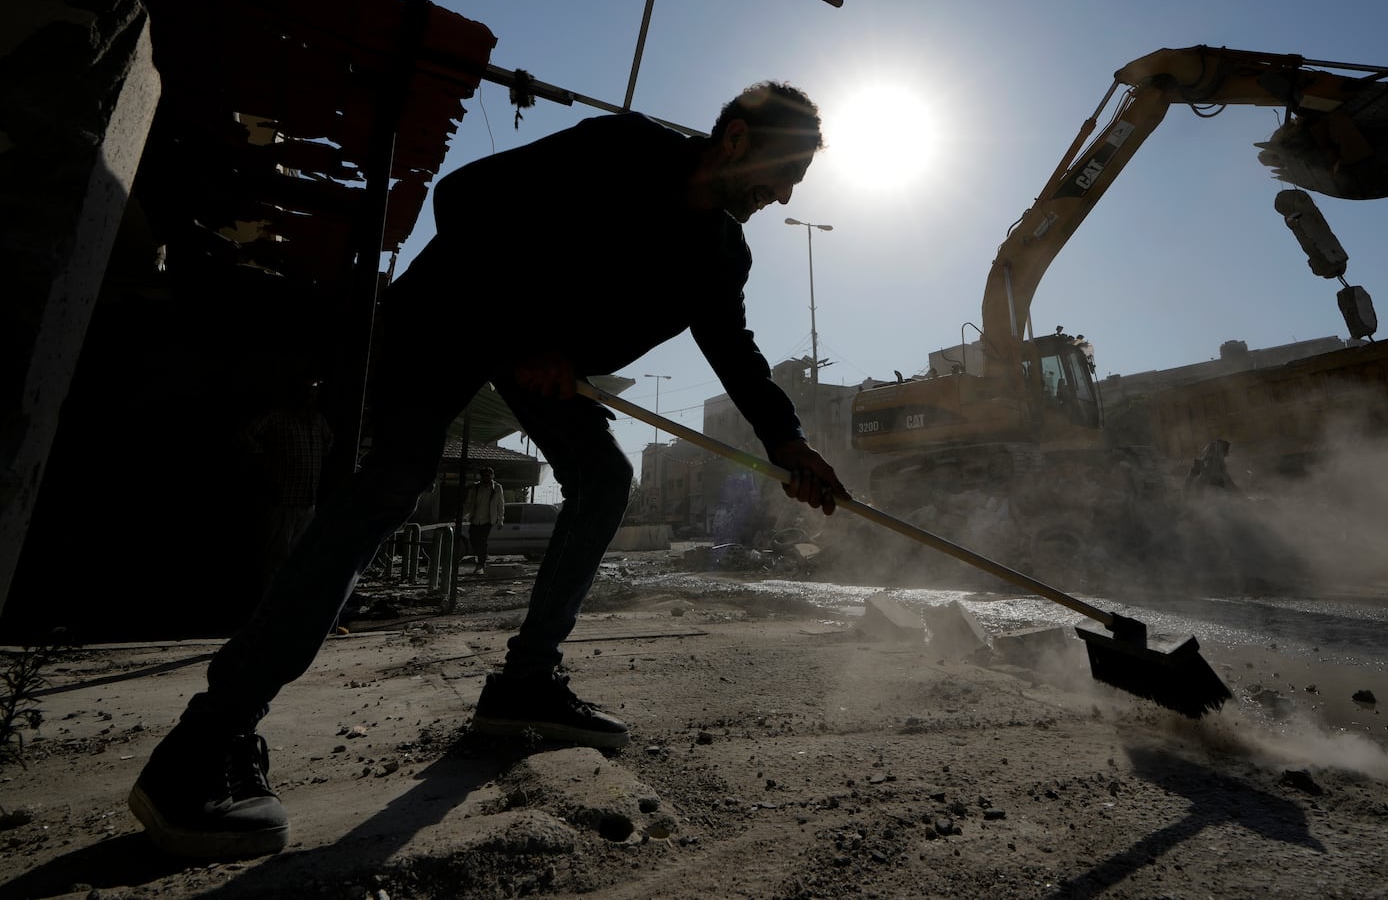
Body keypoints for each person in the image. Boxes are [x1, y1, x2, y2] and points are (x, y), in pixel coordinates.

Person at [127, 81, 851, 861]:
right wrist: (532, 333)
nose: (781, 196)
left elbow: (735, 351)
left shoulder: (719, 251)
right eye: (783, 174)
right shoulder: (624, 150)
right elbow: (467, 196)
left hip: (547, 364)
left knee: (604, 479)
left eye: (795, 187)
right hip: (457, 313)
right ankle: (207, 739)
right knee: (390, 485)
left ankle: (524, 685)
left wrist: (789, 443)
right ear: (736, 138)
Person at [237, 375, 335, 601]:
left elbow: (329, 442)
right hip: (282, 499)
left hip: (308, 501)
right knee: (275, 556)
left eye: (314, 392)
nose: (311, 396)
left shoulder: (317, 421)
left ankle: (288, 601)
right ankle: (268, 603)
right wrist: (264, 457)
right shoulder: (277, 419)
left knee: (300, 555)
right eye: (307, 391)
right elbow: (244, 436)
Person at [461, 465, 504, 574]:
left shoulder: (497, 488)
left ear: (492, 476)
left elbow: (500, 505)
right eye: (484, 476)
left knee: (482, 541)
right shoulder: (475, 488)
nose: (487, 478)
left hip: (488, 520)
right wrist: (462, 515)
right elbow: (469, 503)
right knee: (473, 540)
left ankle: (481, 563)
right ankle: (482, 557)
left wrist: (500, 520)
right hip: (475, 519)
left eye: (489, 476)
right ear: (481, 477)